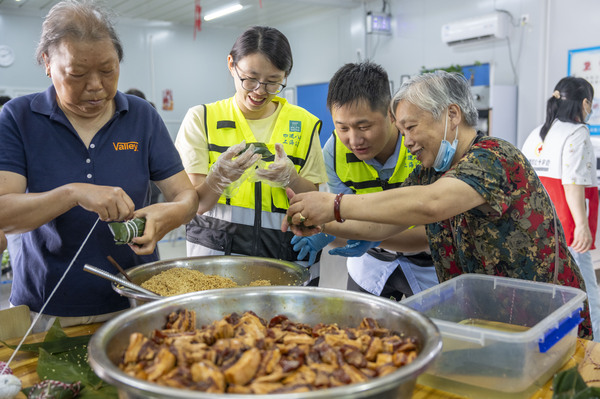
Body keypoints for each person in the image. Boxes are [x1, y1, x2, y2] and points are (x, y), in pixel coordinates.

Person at [283, 71, 593, 340]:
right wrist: (322, 225)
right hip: (488, 314)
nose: (406, 141)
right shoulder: (430, 171)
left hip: (543, 313)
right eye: (402, 132)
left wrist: (335, 204)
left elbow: (430, 204)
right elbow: (381, 224)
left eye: (411, 127)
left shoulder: (494, 157)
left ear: (452, 115)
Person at [0, 0, 198, 332]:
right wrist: (73, 193)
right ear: (47, 63)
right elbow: (4, 212)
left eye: (108, 70)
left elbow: (186, 196)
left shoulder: (141, 116)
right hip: (48, 310)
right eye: (77, 74)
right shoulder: (18, 118)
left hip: (135, 300)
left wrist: (170, 215)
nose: (96, 85)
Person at [175, 26, 327, 285]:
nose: (259, 90)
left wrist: (290, 177)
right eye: (250, 78)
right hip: (216, 262)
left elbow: (312, 197)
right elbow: (194, 206)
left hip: (284, 260)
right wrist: (217, 179)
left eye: (273, 81)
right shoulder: (202, 119)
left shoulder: (304, 123)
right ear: (231, 64)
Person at [291, 61, 438, 299]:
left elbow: (431, 232)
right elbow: (349, 218)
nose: (354, 139)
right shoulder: (334, 152)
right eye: (343, 127)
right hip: (370, 265)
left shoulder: (418, 145)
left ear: (391, 114)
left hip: (427, 264)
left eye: (364, 126)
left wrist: (373, 235)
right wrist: (325, 229)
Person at [522, 76, 600, 339]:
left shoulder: (537, 133)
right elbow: (573, 183)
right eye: (591, 103)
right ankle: (595, 351)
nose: (591, 109)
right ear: (584, 102)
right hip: (568, 227)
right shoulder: (577, 133)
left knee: (551, 292)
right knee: (587, 292)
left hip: (538, 227)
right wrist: (581, 226)